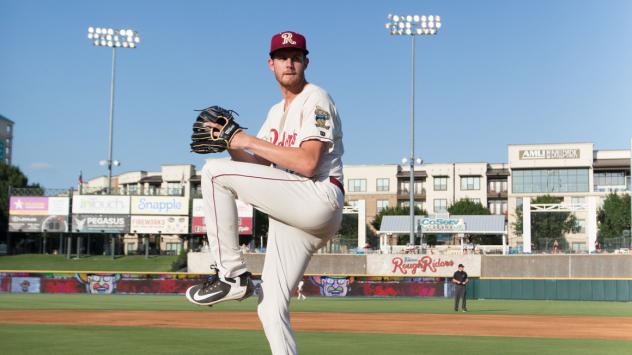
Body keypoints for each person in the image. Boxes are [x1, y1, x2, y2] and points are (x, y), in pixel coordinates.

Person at [185, 30, 344, 355]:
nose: (290, 62)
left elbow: (309, 162)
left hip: (317, 198)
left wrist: (243, 138)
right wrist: (230, 142)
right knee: (270, 308)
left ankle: (231, 276)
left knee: (213, 173)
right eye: (283, 57)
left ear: (306, 62)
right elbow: (256, 165)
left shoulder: (317, 98)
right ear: (270, 64)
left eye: (296, 56)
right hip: (289, 212)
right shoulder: (274, 113)